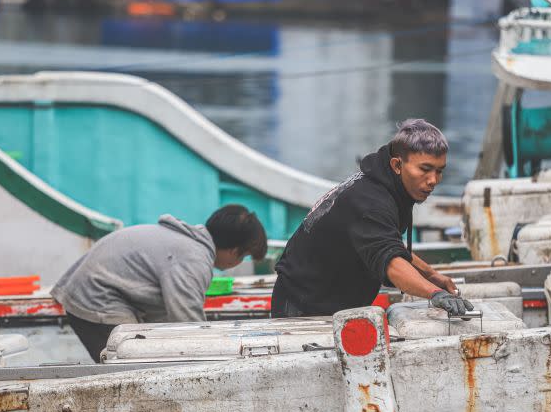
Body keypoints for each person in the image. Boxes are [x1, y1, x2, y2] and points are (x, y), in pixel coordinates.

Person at [272, 119, 473, 317]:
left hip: (327, 301)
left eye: (439, 171)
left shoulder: (383, 183)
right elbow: (391, 262)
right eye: (425, 169)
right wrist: (434, 293)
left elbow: (388, 243)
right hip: (302, 308)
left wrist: (432, 276)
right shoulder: (371, 203)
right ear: (397, 165)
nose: (433, 181)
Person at [51, 204, 267, 362]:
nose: (238, 262)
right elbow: (188, 324)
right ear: (232, 251)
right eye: (243, 256)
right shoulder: (193, 259)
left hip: (92, 291)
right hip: (96, 297)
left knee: (139, 360)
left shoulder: (187, 245)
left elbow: (165, 318)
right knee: (132, 368)